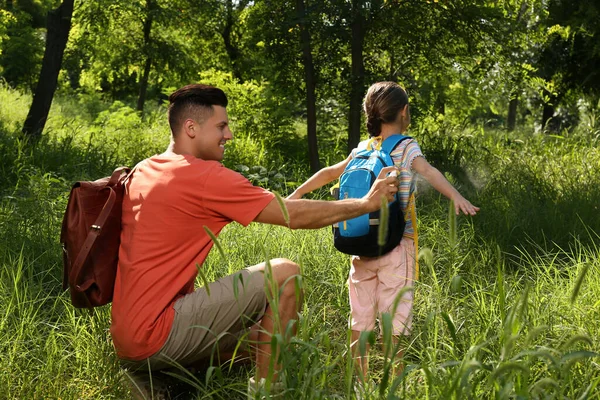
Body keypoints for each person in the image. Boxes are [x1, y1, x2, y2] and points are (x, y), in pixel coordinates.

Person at [110, 83, 401, 399]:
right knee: (286, 275)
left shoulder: (145, 168)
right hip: (157, 334)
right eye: (221, 126)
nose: (229, 134)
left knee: (260, 340)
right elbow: (293, 216)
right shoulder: (205, 177)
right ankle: (265, 392)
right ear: (191, 128)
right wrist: (366, 204)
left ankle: (154, 380)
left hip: (127, 337)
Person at [287, 81, 479, 390]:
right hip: (397, 245)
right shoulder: (405, 147)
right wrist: (456, 196)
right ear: (404, 112)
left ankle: (359, 384)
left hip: (360, 245)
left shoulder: (364, 148)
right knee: (395, 317)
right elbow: (428, 172)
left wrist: (296, 194)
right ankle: (392, 382)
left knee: (360, 316)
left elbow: (329, 173)